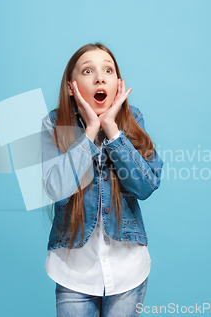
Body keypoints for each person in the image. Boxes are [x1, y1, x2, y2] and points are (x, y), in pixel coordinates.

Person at [41, 43, 163, 317]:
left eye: (108, 69)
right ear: (72, 86)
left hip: (128, 270)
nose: (99, 77)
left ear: (117, 83)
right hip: (73, 272)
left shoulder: (133, 120)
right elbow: (55, 189)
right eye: (88, 70)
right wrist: (90, 133)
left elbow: (146, 186)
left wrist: (111, 130)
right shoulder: (53, 125)